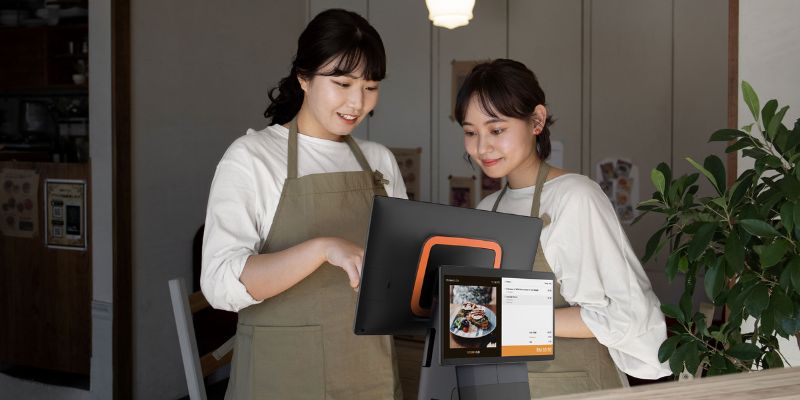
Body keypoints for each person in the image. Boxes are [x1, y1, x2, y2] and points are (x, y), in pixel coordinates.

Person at [201, 9, 405, 399]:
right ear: (304, 78)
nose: (357, 102)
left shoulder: (379, 161)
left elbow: (399, 268)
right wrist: (320, 249)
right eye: (343, 83)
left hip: (368, 364)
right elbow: (219, 282)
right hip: (282, 372)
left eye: (370, 86)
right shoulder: (252, 157)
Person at [454, 59, 671, 398]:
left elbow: (626, 314)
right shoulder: (487, 209)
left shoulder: (574, 196)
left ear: (536, 120)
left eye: (496, 130)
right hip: (497, 387)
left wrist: (504, 317)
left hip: (574, 386)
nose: (482, 147)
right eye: (470, 132)